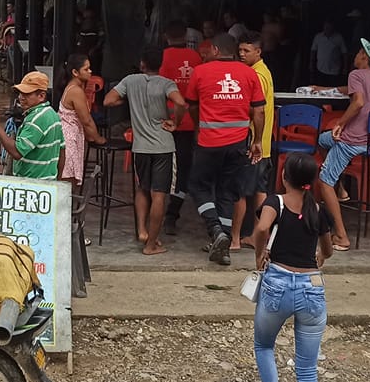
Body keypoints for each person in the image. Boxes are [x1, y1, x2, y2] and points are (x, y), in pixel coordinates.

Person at [251, 152, 334, 382]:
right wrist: (320, 255)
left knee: (264, 345)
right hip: (313, 288)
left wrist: (260, 254)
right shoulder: (318, 210)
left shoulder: (276, 202)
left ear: (284, 177)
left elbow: (261, 228)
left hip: (278, 285)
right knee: (307, 371)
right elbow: (328, 248)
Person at [187, 33, 265, 267]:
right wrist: (258, 140)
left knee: (197, 185)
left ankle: (215, 230)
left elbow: (192, 105)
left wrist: (199, 126)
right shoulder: (250, 73)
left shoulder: (201, 71)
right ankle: (223, 248)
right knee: (227, 192)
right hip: (239, 143)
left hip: (209, 142)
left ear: (214, 50)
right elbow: (259, 111)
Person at [104, 46, 186, 255]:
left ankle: (142, 231)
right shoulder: (166, 83)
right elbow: (180, 102)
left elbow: (108, 100)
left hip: (140, 147)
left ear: (142, 64)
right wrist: (175, 121)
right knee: (159, 194)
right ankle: (151, 243)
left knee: (142, 188)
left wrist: (130, 101)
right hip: (163, 146)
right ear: (161, 65)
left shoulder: (130, 81)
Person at [310, 39, 370, 253]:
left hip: (352, 140)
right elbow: (352, 91)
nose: (356, 53)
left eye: (360, 51)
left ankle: (342, 236)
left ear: (364, 56)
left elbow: (358, 101)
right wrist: (325, 90)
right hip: (369, 139)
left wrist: (340, 123)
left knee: (324, 182)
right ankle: (341, 188)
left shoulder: (356, 74)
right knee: (322, 140)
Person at [161, 23, 202, 233]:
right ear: (186, 35)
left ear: (166, 35)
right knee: (184, 169)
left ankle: (157, 215)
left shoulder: (162, 57)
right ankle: (171, 215)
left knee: (162, 167)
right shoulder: (196, 58)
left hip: (164, 121)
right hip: (189, 121)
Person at [237, 33, 275, 251]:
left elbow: (256, 110)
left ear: (258, 52)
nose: (242, 54)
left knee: (241, 190)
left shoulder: (257, 75)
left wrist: (255, 140)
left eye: (246, 51)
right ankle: (259, 233)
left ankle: (237, 236)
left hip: (255, 142)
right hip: (264, 143)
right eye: (240, 50)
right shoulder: (262, 71)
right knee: (260, 189)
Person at [0, 71, 62, 179]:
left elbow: (17, 152)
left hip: (32, 183)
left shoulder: (37, 119)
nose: (21, 97)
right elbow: (62, 151)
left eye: (27, 94)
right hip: (48, 182)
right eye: (20, 93)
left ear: (41, 96)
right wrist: (57, 182)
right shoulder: (53, 114)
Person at [57, 53, 104, 192]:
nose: (90, 72)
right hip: (69, 139)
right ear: (75, 72)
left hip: (70, 137)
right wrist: (97, 138)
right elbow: (86, 120)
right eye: (86, 69)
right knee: (67, 184)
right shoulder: (76, 91)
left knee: (67, 183)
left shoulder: (73, 88)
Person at [308, 20, 346, 85]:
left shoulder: (338, 37)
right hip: (320, 69)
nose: (327, 28)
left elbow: (344, 53)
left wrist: (345, 67)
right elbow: (313, 51)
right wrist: (311, 64)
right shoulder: (318, 37)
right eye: (326, 26)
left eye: (329, 26)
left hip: (334, 70)